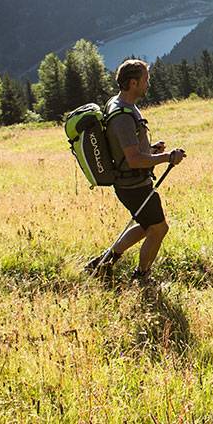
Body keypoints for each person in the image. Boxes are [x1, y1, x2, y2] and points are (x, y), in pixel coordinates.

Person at [84, 58, 185, 282]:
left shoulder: (121, 104)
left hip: (131, 182)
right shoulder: (122, 116)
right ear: (133, 83)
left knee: (145, 225)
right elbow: (134, 160)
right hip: (134, 185)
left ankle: (102, 264)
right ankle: (142, 277)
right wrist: (167, 157)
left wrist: (150, 149)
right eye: (145, 80)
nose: (148, 84)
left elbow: (128, 150)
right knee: (158, 229)